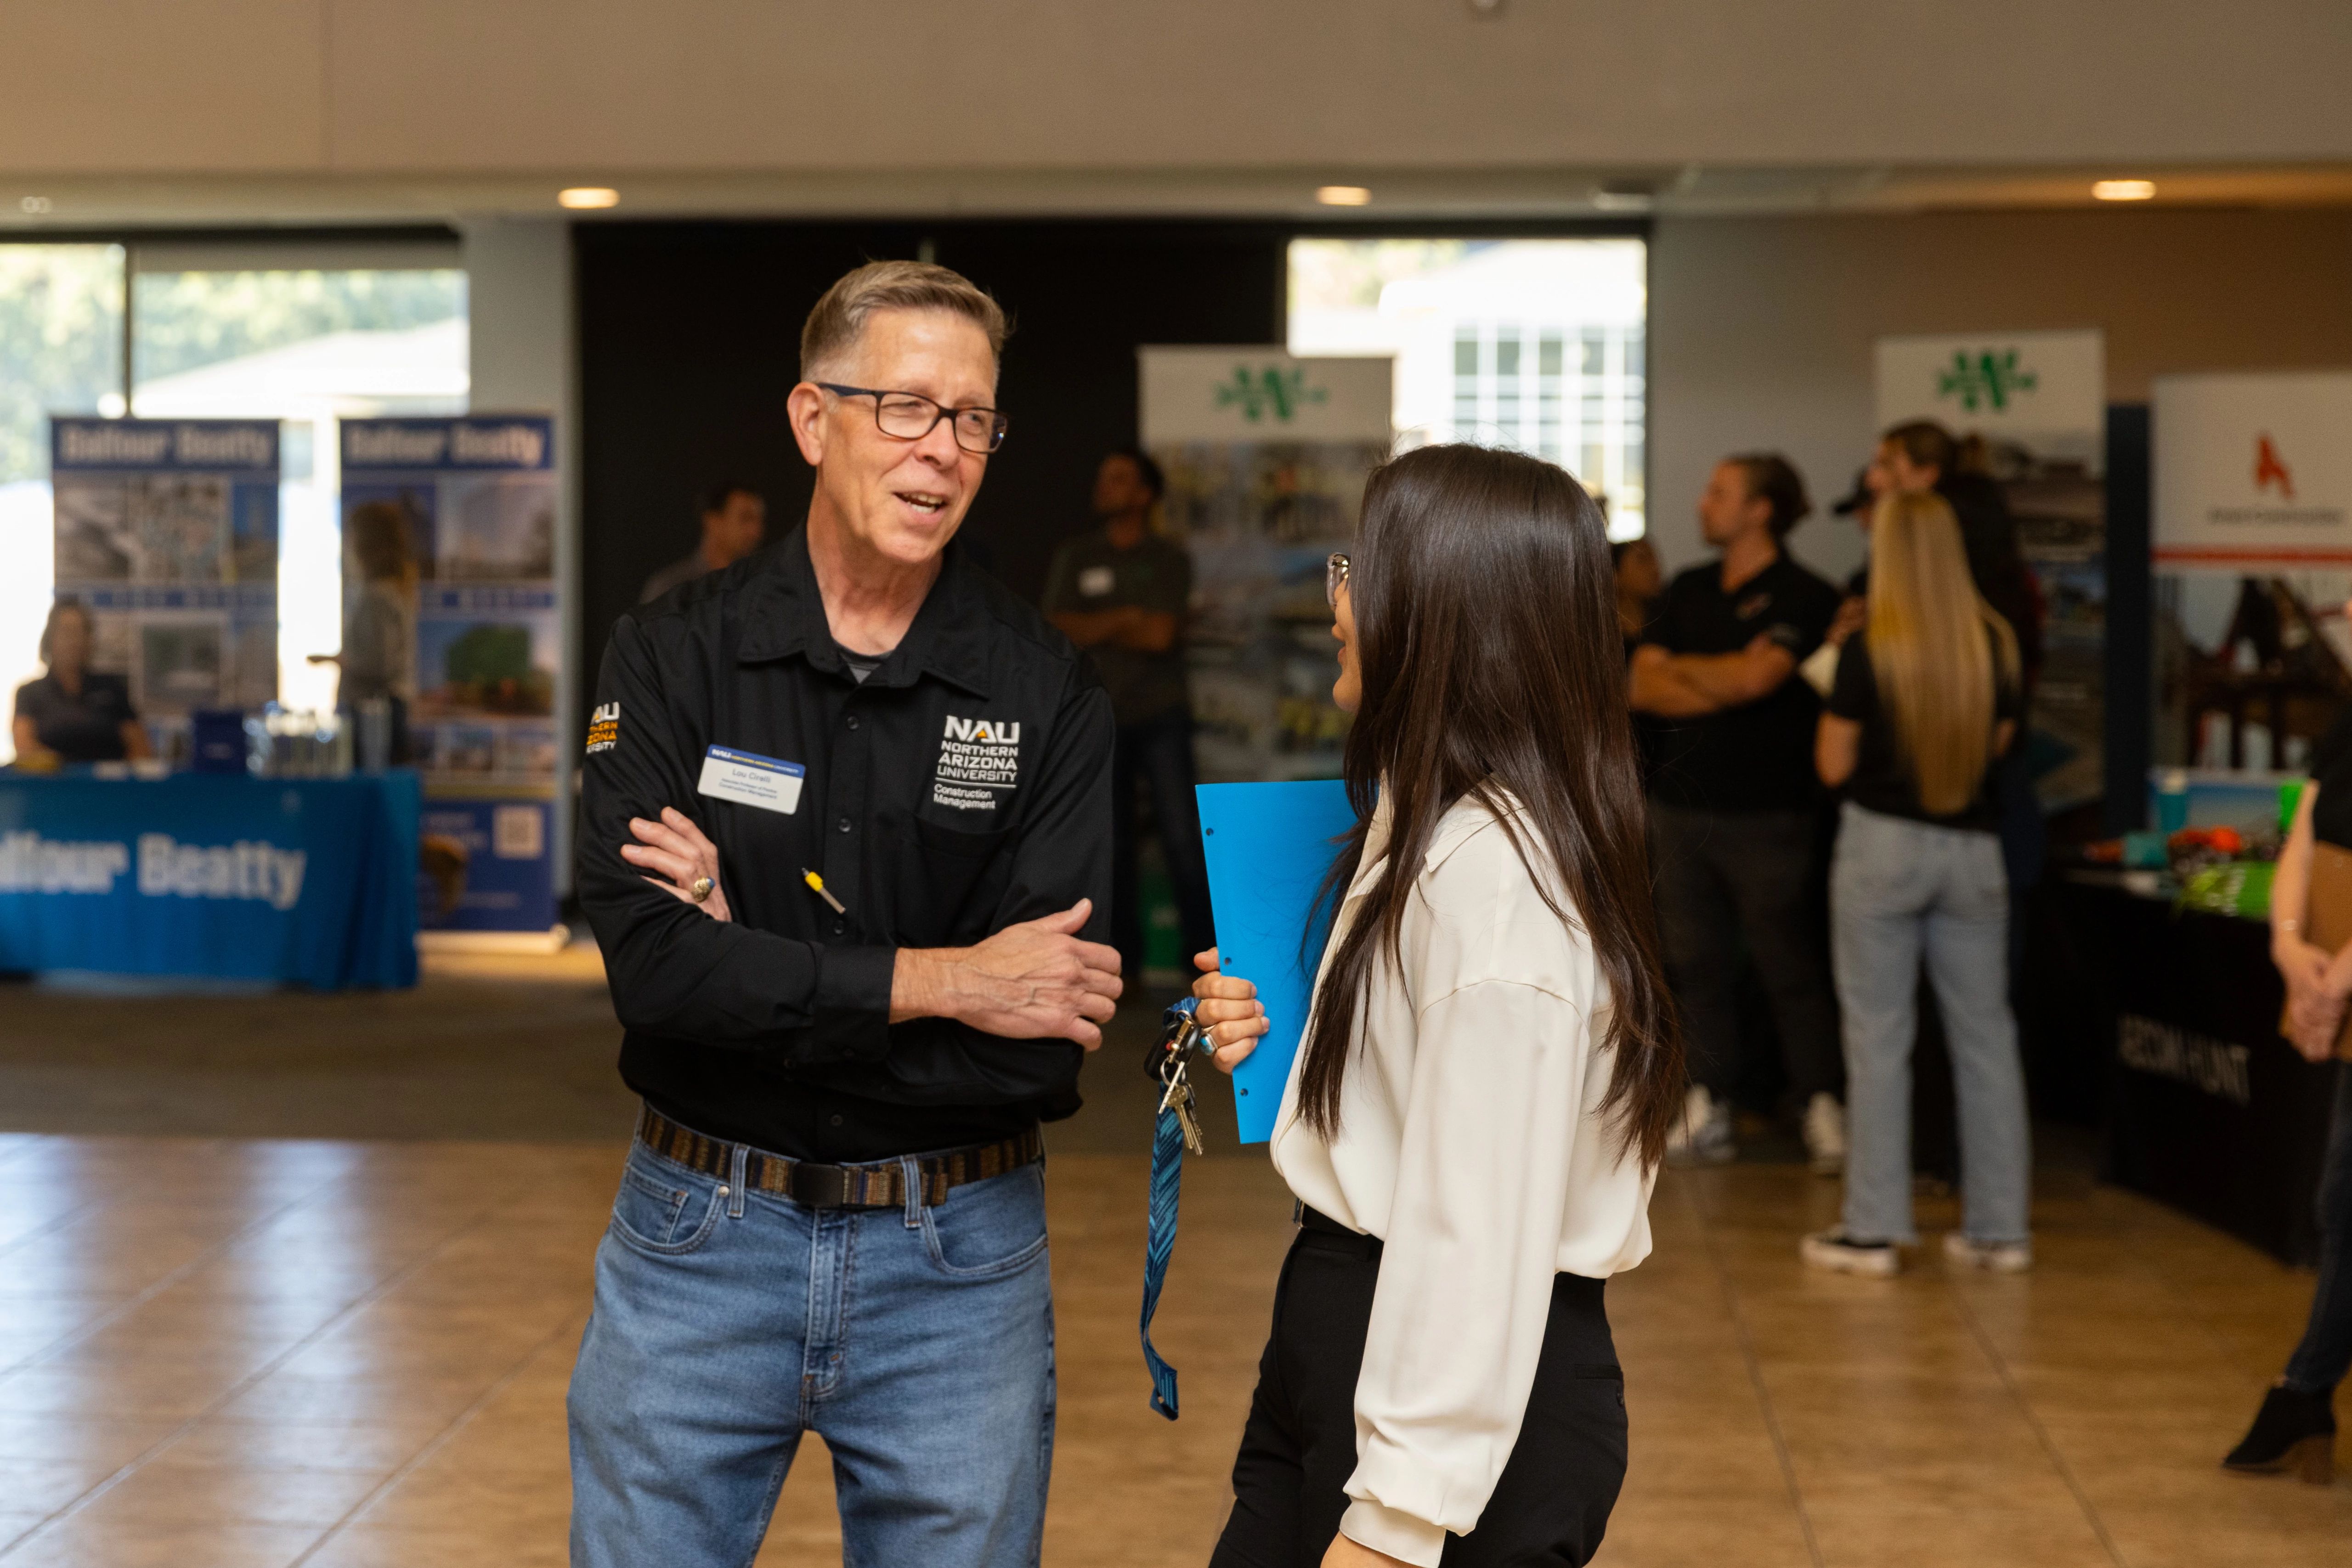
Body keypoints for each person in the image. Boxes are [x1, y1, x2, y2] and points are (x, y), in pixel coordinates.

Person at [569, 259, 1123, 1568]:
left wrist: (746, 952)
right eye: (907, 407)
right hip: (696, 1242)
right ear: (813, 420)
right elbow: (656, 977)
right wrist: (948, 979)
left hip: (959, 1263)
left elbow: (1037, 1034)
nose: (945, 448)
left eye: (974, 416)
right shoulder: (669, 655)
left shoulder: (1046, 691)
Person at [1188, 444, 1682, 1568]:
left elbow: (1476, 1233)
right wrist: (1296, 1042)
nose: (1336, 603)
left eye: (1358, 569)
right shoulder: (1429, 818)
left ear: (1441, 608)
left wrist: (1397, 1522)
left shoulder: (1496, 884)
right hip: (1342, 1326)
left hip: (1447, 1377)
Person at [1801, 490, 2031, 1277]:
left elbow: (1832, 764)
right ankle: (2001, 1229)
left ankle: (1874, 1227)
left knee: (1878, 1035)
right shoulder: (1995, 644)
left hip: (1882, 847)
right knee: (1987, 1037)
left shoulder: (1871, 649)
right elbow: (1998, 747)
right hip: (1974, 851)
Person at [1629, 455, 1845, 1172]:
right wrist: (1726, 677)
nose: (1703, 503)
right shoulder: (1688, 586)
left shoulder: (1805, 593)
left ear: (1761, 510)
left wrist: (1694, 671)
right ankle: (1706, 1101)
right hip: (1680, 810)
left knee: (1789, 965)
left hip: (1770, 814)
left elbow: (1764, 679)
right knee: (1694, 963)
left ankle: (1820, 1102)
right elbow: (1642, 686)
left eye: (1719, 492)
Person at [2224, 665, 2352, 1481]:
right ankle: (2306, 1389)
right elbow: (2307, 823)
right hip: (2336, 971)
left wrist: (2343, 975)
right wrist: (2288, 943)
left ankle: (2303, 1388)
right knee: (2340, 1198)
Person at [1042, 447, 1214, 981]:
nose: (1104, 487)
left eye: (1117, 479)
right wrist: (1125, 617)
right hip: (1098, 720)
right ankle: (1120, 967)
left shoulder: (1168, 558)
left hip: (1161, 716)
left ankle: (1202, 964)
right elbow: (1056, 629)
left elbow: (1160, 635)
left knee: (1183, 841)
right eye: (1102, 477)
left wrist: (1099, 623)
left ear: (1144, 494)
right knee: (1105, 845)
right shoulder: (1076, 554)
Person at [310, 500, 418, 762]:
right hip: (378, 715)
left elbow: (381, 663)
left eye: (352, 535)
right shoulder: (392, 591)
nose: (347, 543)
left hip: (374, 718)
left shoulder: (380, 595)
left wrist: (334, 659)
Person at [11, 598, 148, 767]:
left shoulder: (112, 688)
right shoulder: (30, 693)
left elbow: (140, 749)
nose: (74, 640)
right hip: (53, 787)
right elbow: (25, 748)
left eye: (81, 631)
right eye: (67, 632)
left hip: (109, 787)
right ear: (50, 638)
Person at [639, 481, 770, 603]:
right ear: (712, 521)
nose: (756, 531)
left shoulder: (764, 586)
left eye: (760, 521)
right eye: (746, 518)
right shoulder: (670, 588)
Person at [1611, 536, 1662, 660]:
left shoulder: (1666, 623)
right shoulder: (1602, 635)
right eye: (1642, 560)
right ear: (1615, 575)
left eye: (1655, 559)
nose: (1655, 569)